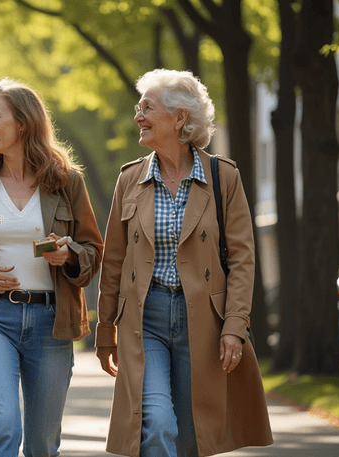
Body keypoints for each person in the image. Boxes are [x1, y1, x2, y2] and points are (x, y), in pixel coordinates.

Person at [95, 69, 273, 457]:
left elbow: (242, 258)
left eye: (147, 108)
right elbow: (114, 262)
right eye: (138, 107)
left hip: (204, 319)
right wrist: (105, 329)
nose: (138, 116)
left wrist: (235, 326)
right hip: (146, 317)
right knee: (156, 423)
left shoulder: (222, 176)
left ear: (179, 118)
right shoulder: (130, 179)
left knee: (193, 433)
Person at [0, 78, 103, 457]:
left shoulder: (67, 182)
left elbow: (94, 250)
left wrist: (69, 255)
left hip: (52, 321)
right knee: (2, 424)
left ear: (24, 123)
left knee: (42, 443)